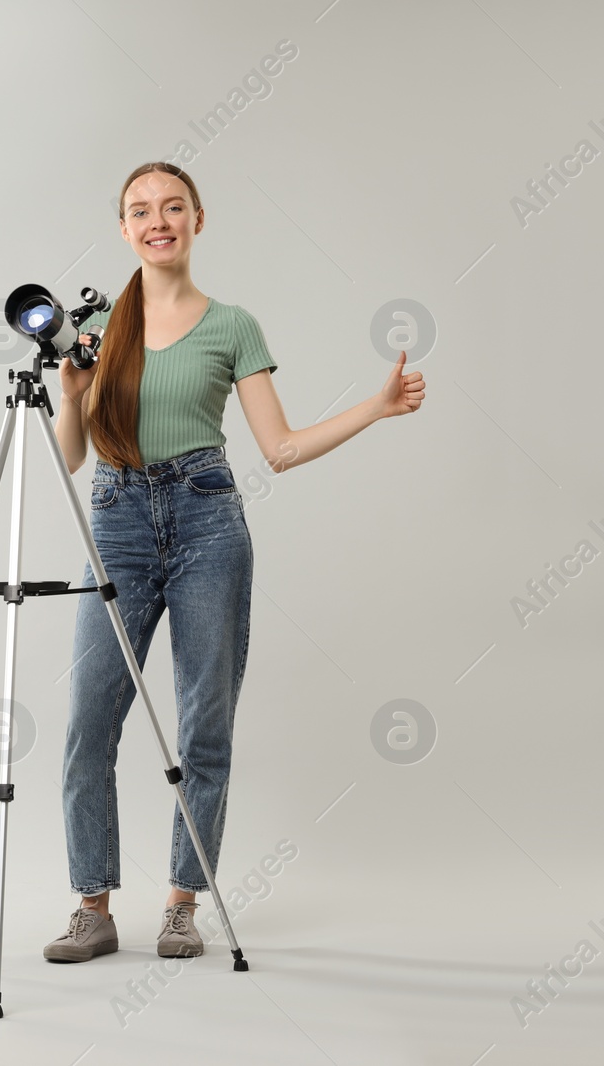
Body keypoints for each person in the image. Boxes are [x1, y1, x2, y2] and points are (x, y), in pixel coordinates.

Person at [42, 162, 425, 964]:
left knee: (203, 722)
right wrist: (71, 394)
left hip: (208, 521)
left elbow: (280, 448)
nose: (158, 221)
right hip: (115, 521)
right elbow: (72, 460)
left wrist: (378, 406)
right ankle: (93, 905)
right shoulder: (100, 326)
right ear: (123, 229)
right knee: (88, 721)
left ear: (197, 220)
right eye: (141, 210)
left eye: (172, 207)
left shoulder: (233, 325)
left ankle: (183, 903)